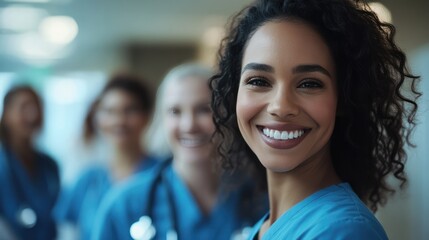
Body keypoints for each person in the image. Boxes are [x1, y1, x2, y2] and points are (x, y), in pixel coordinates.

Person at [210, 0, 420, 239]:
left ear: (343, 99)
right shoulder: (264, 226)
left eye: (309, 83)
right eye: (258, 81)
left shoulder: (344, 232)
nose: (280, 106)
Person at [91, 63, 267, 240]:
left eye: (203, 109)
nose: (188, 125)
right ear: (161, 120)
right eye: (175, 111)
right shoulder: (125, 206)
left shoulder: (261, 199)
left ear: (225, 114)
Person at [54, 74, 159, 240]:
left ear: (147, 116)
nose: (119, 121)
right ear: (97, 118)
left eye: (130, 110)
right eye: (109, 111)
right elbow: (67, 232)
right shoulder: (88, 180)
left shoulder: (163, 176)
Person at [0, 86, 60, 240]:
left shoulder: (50, 165)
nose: (33, 115)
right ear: (6, 114)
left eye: (37, 107)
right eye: (24, 107)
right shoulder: (3, 164)